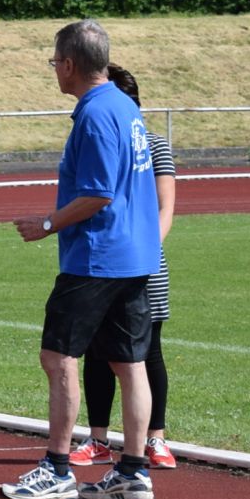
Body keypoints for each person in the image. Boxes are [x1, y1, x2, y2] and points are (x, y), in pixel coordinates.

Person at [2, 19, 162, 499]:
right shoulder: (126, 107)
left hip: (97, 257)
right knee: (129, 362)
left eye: (55, 62)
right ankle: (133, 471)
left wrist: (47, 224)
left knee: (58, 357)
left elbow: (98, 193)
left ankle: (57, 468)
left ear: (69, 64)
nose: (54, 70)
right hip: (135, 255)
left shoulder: (95, 114)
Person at [71, 66, 179, 470]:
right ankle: (98, 439)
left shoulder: (154, 145)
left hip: (143, 262)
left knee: (148, 350)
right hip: (103, 260)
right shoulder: (97, 140)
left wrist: (146, 250)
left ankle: (156, 439)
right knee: (98, 350)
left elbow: (165, 208)